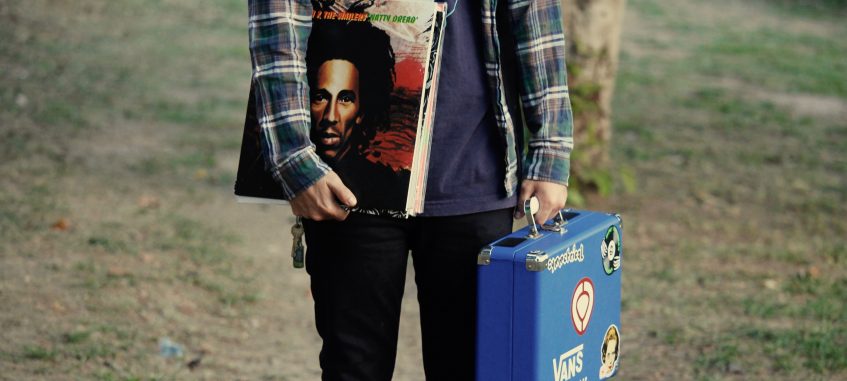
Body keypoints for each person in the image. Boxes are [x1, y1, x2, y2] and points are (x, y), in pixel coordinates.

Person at [248, 0, 574, 379]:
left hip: (474, 170)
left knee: (469, 366)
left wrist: (550, 147)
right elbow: (280, 15)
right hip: (349, 182)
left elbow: (534, 11)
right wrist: (294, 160)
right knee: (354, 367)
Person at [305, 17, 409, 209]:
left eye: (345, 99)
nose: (330, 117)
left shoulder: (384, 184)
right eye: (321, 97)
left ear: (361, 112)